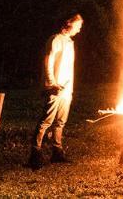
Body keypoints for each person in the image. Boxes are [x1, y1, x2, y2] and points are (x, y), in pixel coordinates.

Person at [27, 13, 83, 169]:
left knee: (60, 122)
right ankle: (35, 154)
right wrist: (52, 83)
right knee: (47, 121)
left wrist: (69, 88)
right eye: (78, 26)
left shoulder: (69, 43)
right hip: (55, 88)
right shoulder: (56, 40)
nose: (79, 30)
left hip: (66, 89)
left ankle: (57, 152)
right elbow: (48, 61)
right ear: (69, 24)